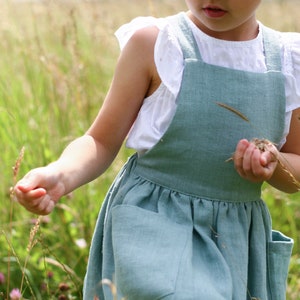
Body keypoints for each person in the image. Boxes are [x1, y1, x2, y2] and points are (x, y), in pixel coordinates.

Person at [14, 1, 300, 299]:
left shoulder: (286, 61)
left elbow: (296, 165)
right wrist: (60, 174)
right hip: (155, 229)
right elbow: (100, 140)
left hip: (235, 240)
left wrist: (275, 163)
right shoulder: (158, 45)